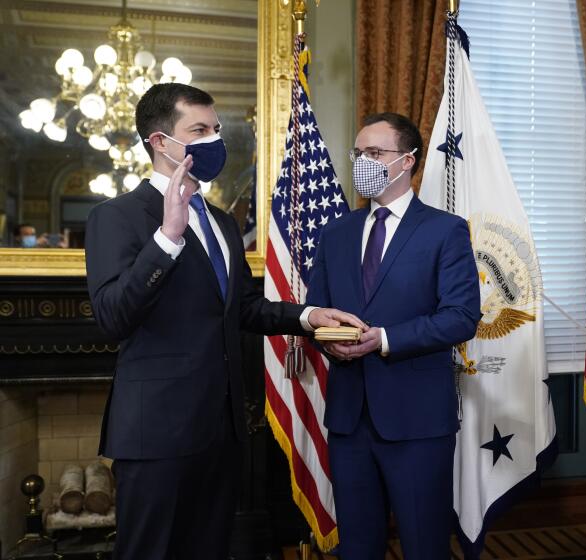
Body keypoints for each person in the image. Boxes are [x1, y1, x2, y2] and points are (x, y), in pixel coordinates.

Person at [84, 83, 365, 560]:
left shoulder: (222, 221)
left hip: (224, 427)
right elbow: (113, 316)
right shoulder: (116, 217)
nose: (214, 140)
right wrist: (168, 238)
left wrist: (308, 315)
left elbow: (243, 308)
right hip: (157, 433)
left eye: (216, 129)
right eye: (199, 130)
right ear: (159, 142)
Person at [305, 112, 481, 559]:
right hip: (349, 419)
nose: (363, 161)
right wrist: (327, 339)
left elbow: (461, 317)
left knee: (424, 545)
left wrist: (383, 339)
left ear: (406, 161)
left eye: (375, 153)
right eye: (358, 153)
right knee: (358, 548)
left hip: (417, 421)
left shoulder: (445, 230)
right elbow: (315, 311)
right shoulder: (336, 234)